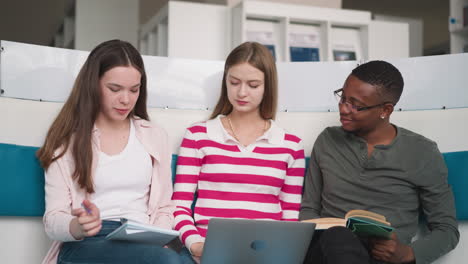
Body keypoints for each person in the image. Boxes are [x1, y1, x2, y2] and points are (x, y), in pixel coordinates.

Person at [300, 60, 459, 264]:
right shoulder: (328, 140)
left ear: (386, 110)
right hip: (326, 249)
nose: (344, 109)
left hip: (384, 257)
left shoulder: (422, 152)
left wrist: (408, 253)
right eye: (343, 98)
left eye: (356, 105)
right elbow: (310, 208)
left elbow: (447, 230)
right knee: (338, 237)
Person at [37, 39, 181, 264]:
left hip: (142, 238)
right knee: (167, 261)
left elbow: (164, 206)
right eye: (114, 89)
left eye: (134, 90)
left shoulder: (155, 135)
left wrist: (156, 237)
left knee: (180, 259)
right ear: (93, 85)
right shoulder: (67, 140)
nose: (125, 99)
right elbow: (53, 219)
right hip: (88, 242)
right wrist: (77, 226)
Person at [172, 42, 306, 262]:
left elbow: (290, 218)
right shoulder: (197, 136)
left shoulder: (291, 145)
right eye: (234, 83)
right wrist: (195, 244)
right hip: (209, 252)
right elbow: (179, 205)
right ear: (225, 82)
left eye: (253, 85)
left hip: (266, 254)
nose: (242, 92)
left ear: (267, 87)